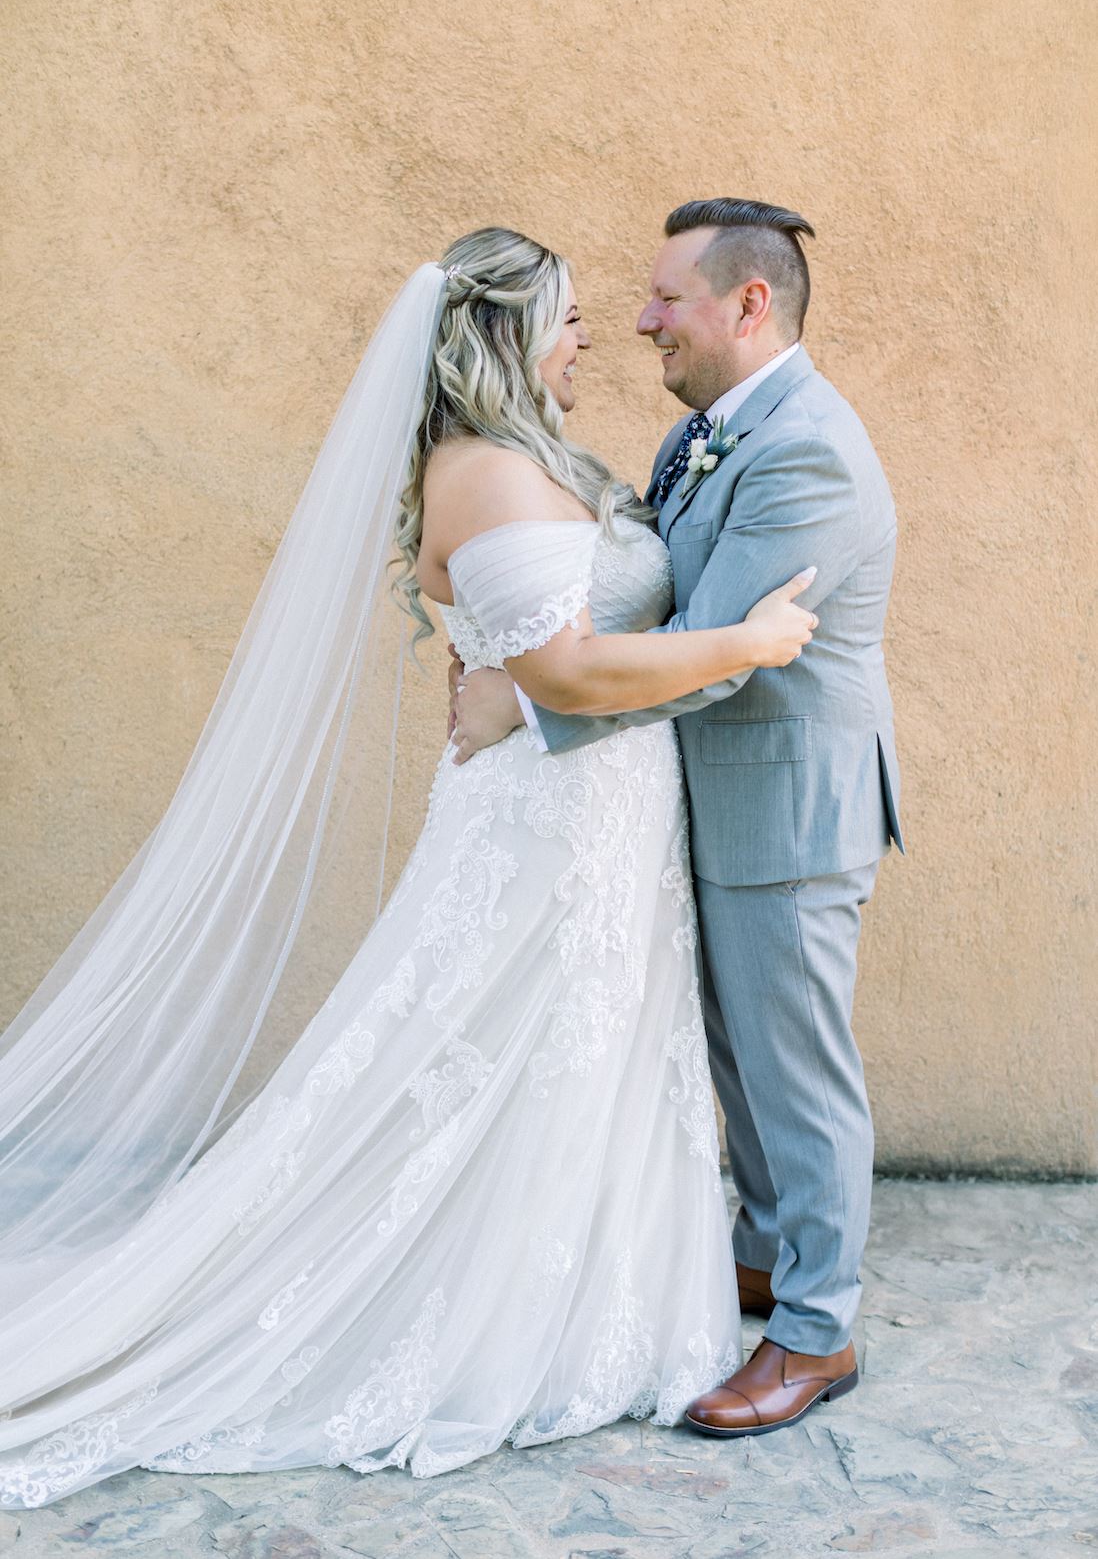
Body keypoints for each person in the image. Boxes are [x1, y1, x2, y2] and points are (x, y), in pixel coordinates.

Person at [0, 226, 819, 1508]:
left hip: (602, 822)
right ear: (505, 335)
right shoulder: (485, 471)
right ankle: (487, 1317)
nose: (592, 335)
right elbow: (569, 671)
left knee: (583, 1057)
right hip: (546, 833)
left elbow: (559, 644)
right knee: (501, 1055)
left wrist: (520, 681)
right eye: (566, 316)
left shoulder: (533, 457)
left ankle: (587, 1295)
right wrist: (749, 643)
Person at [451, 199, 905, 1439]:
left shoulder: (809, 449)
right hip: (713, 797)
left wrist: (529, 701)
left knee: (798, 1070)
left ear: (749, 303)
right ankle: (767, 1250)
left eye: (666, 297)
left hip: (788, 805)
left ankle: (816, 1330)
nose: (643, 318)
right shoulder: (702, 432)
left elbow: (716, 652)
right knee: (741, 1055)